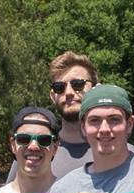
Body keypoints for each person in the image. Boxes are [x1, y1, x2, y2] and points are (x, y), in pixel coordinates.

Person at [14, 51, 97, 180]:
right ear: (53, 96)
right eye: (60, 87)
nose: (68, 92)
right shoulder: (31, 151)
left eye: (78, 85)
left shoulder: (122, 152)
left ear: (96, 89)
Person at [0, 107, 59, 193]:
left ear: (55, 148)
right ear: (13, 145)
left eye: (44, 140)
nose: (33, 147)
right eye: (23, 139)